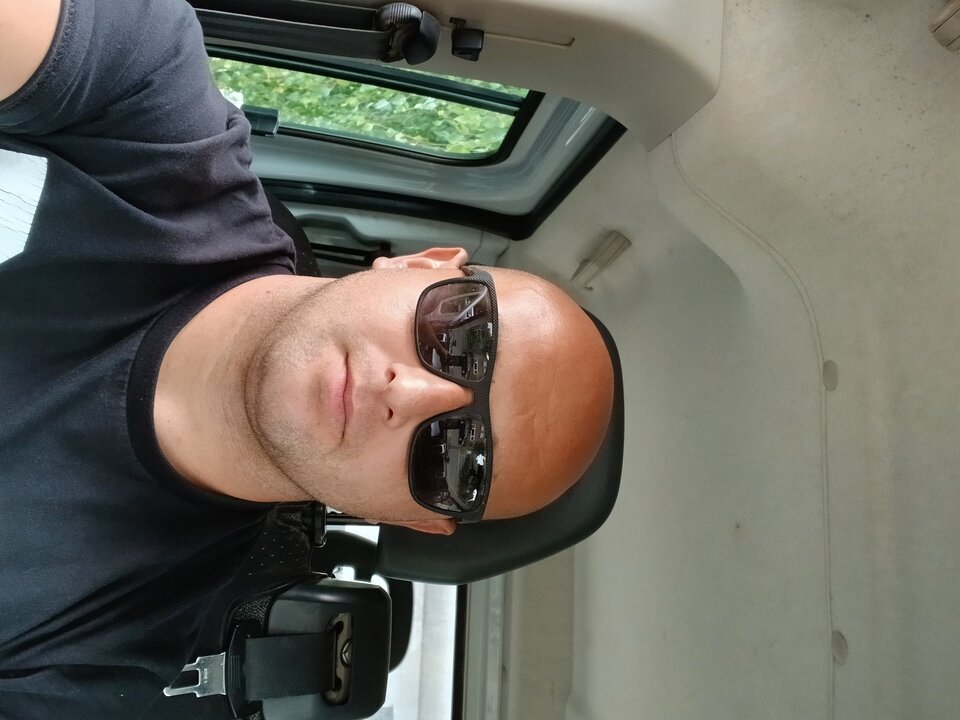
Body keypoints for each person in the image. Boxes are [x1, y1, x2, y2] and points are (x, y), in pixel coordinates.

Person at [0, 0, 614, 716]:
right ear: (420, 263)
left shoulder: (95, 664)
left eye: (455, 461)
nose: (412, 394)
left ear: (412, 518)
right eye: (463, 336)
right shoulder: (151, 108)